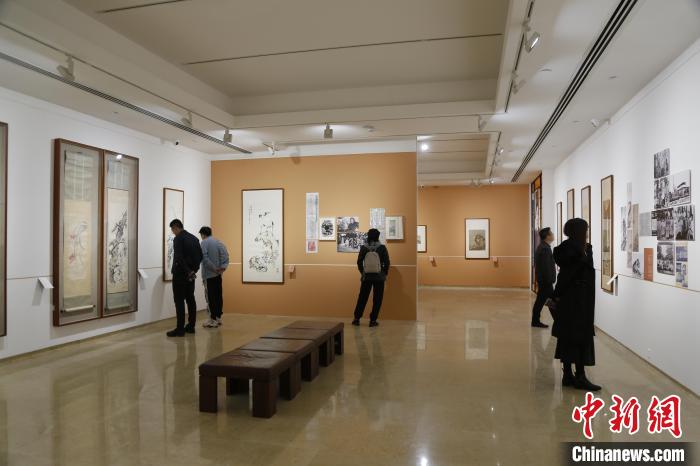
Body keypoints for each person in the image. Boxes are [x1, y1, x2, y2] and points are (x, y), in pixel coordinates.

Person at [550, 218, 601, 391]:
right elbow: (569, 276)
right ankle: (579, 376)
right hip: (577, 302)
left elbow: (564, 276)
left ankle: (567, 375)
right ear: (580, 231)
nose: (587, 232)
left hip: (571, 301)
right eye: (585, 229)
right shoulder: (576, 251)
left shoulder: (569, 249)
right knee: (579, 337)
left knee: (567, 336)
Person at [166, 219, 202, 337]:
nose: (173, 232)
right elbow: (200, 256)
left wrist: (187, 271)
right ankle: (191, 326)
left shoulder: (178, 239)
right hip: (190, 275)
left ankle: (180, 329)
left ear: (176, 227)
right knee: (190, 299)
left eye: (173, 230)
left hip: (180, 274)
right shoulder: (194, 238)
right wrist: (193, 271)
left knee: (179, 301)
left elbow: (179, 258)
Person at [352, 229, 390, 327]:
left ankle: (356, 319)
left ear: (368, 236)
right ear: (378, 236)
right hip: (379, 277)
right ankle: (373, 320)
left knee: (362, 297)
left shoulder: (364, 248)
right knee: (377, 299)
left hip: (367, 277)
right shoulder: (382, 248)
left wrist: (363, 272)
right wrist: (384, 273)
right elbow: (387, 262)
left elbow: (359, 262)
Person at [199, 226, 229, 328]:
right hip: (218, 275)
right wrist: (222, 268)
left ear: (203, 234)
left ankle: (212, 319)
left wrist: (214, 268)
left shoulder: (204, 243)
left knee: (210, 297)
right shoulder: (218, 242)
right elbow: (225, 255)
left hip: (209, 275)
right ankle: (218, 317)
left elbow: (204, 258)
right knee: (218, 296)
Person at [531, 227, 556, 328]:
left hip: (544, 280)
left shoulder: (543, 247)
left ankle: (536, 321)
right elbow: (546, 267)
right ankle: (558, 322)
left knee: (544, 301)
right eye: (551, 233)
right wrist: (549, 280)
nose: (553, 235)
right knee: (547, 301)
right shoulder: (545, 248)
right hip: (546, 281)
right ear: (547, 236)